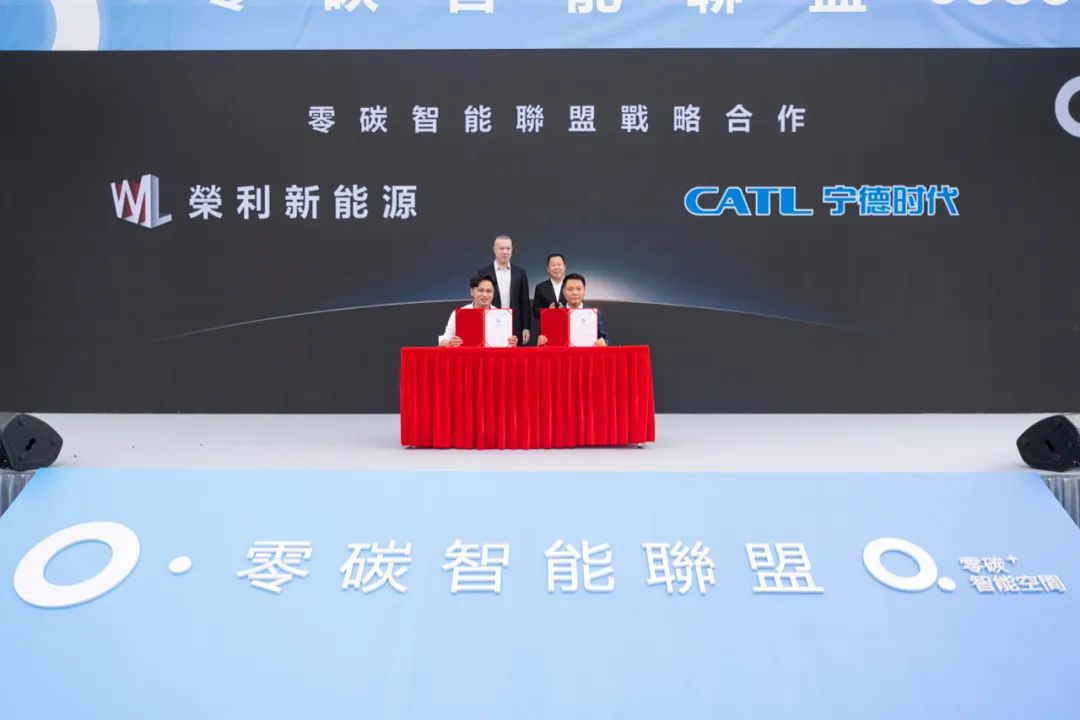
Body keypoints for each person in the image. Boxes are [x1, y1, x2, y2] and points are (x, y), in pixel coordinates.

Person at [478, 234, 531, 345]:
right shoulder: (484, 272)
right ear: (494, 249)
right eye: (501, 248)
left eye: (508, 248)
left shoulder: (520, 273)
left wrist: (526, 327)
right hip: (490, 324)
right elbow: (479, 301)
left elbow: (524, 302)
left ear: (512, 249)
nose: (505, 252)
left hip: (515, 326)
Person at [438, 274, 519, 347]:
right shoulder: (460, 313)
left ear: (493, 293)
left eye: (489, 291)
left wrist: (511, 342)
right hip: (468, 357)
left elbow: (505, 344)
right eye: (480, 290)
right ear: (472, 291)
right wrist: (448, 343)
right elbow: (445, 338)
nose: (485, 295)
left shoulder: (501, 315)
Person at [537, 272, 609, 347]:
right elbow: (544, 344)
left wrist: (604, 343)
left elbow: (606, 339)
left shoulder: (594, 314)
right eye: (570, 289)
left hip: (587, 354)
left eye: (579, 289)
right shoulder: (554, 315)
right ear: (564, 292)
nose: (574, 293)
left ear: (584, 291)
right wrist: (540, 343)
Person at [532, 253, 568, 323]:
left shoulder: (571, 285)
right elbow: (535, 312)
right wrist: (547, 311)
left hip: (568, 325)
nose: (556, 268)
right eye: (553, 265)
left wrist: (565, 309)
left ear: (564, 267)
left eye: (559, 265)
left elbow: (578, 308)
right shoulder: (540, 287)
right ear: (548, 269)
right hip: (548, 325)